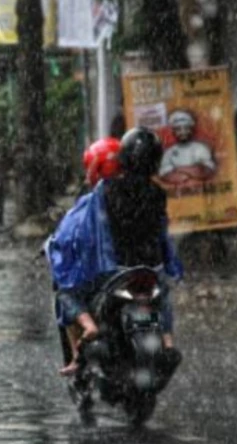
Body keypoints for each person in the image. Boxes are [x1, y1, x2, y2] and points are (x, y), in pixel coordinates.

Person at [47, 127, 183, 376]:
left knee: (66, 292)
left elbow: (77, 232)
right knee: (162, 295)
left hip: (115, 271)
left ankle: (84, 337)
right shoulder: (158, 193)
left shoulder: (104, 192)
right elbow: (161, 232)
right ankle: (168, 341)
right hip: (150, 270)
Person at [159, 109, 217, 186]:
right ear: (173, 132)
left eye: (186, 128)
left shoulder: (201, 148)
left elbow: (205, 171)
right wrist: (192, 170)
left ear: (191, 130)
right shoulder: (168, 153)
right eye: (178, 129)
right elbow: (166, 175)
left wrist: (178, 169)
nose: (183, 132)